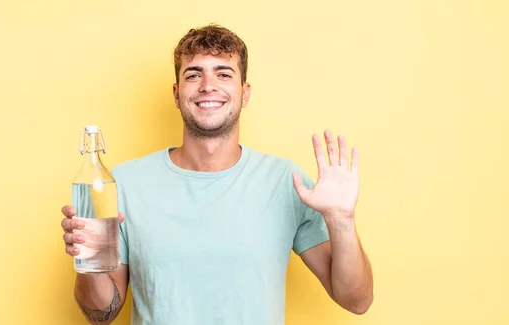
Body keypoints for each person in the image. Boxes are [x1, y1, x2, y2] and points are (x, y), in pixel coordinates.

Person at [60, 24, 373, 325]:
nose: (208, 85)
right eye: (194, 74)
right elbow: (101, 314)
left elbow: (356, 301)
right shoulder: (124, 184)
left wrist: (341, 221)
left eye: (223, 74)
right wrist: (88, 260)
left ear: (244, 92)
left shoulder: (287, 182)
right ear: (176, 92)